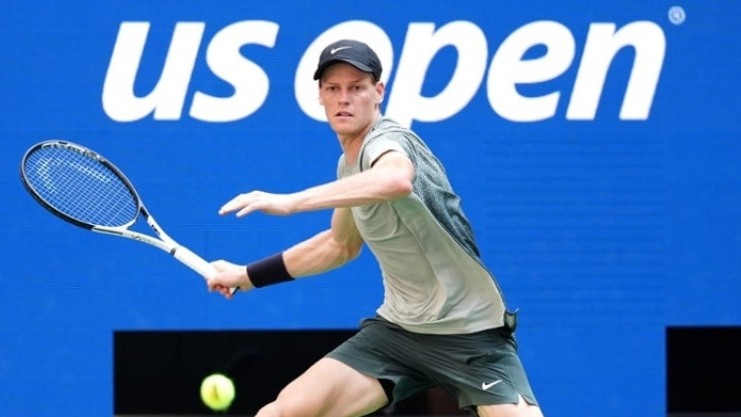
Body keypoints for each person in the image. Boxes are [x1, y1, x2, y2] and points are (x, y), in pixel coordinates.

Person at [207, 39, 544, 417]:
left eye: (356, 87)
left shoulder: (389, 142)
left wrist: (291, 201)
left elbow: (396, 179)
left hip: (472, 337)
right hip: (397, 336)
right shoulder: (348, 166)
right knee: (282, 412)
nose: (343, 99)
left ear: (378, 92)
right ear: (320, 96)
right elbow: (339, 245)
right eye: (333, 89)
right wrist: (247, 275)